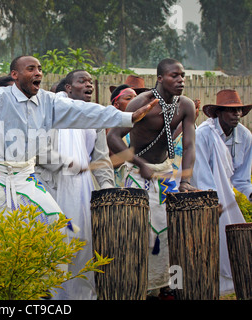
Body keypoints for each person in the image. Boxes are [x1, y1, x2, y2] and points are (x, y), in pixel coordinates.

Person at [0, 55, 157, 231]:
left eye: (40, 69)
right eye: (31, 68)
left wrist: (128, 118)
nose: (38, 73)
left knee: (60, 228)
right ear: (15, 74)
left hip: (26, 178)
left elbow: (85, 111)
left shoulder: (48, 101)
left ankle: (47, 285)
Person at [107, 58, 198, 298]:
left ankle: (167, 287)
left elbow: (189, 146)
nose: (180, 80)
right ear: (159, 78)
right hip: (138, 174)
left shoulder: (185, 105)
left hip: (166, 172)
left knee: (170, 233)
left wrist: (185, 181)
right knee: (141, 233)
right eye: (174, 76)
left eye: (182, 76)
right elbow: (114, 137)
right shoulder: (140, 103)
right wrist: (139, 163)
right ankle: (141, 287)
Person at [35, 69, 115, 300]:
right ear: (68, 89)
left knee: (82, 244)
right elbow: (39, 150)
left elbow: (101, 158)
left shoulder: (95, 117)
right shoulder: (51, 111)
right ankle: (50, 298)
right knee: (52, 243)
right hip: (50, 187)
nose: (89, 85)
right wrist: (65, 164)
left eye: (91, 82)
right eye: (82, 81)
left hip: (82, 191)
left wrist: (108, 187)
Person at [191, 89, 252, 295]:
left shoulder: (245, 136)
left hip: (228, 197)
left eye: (239, 111)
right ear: (218, 113)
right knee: (206, 246)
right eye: (231, 111)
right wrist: (213, 202)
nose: (237, 115)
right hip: (204, 197)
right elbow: (201, 175)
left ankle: (227, 286)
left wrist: (250, 194)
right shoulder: (203, 135)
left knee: (234, 242)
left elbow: (241, 178)